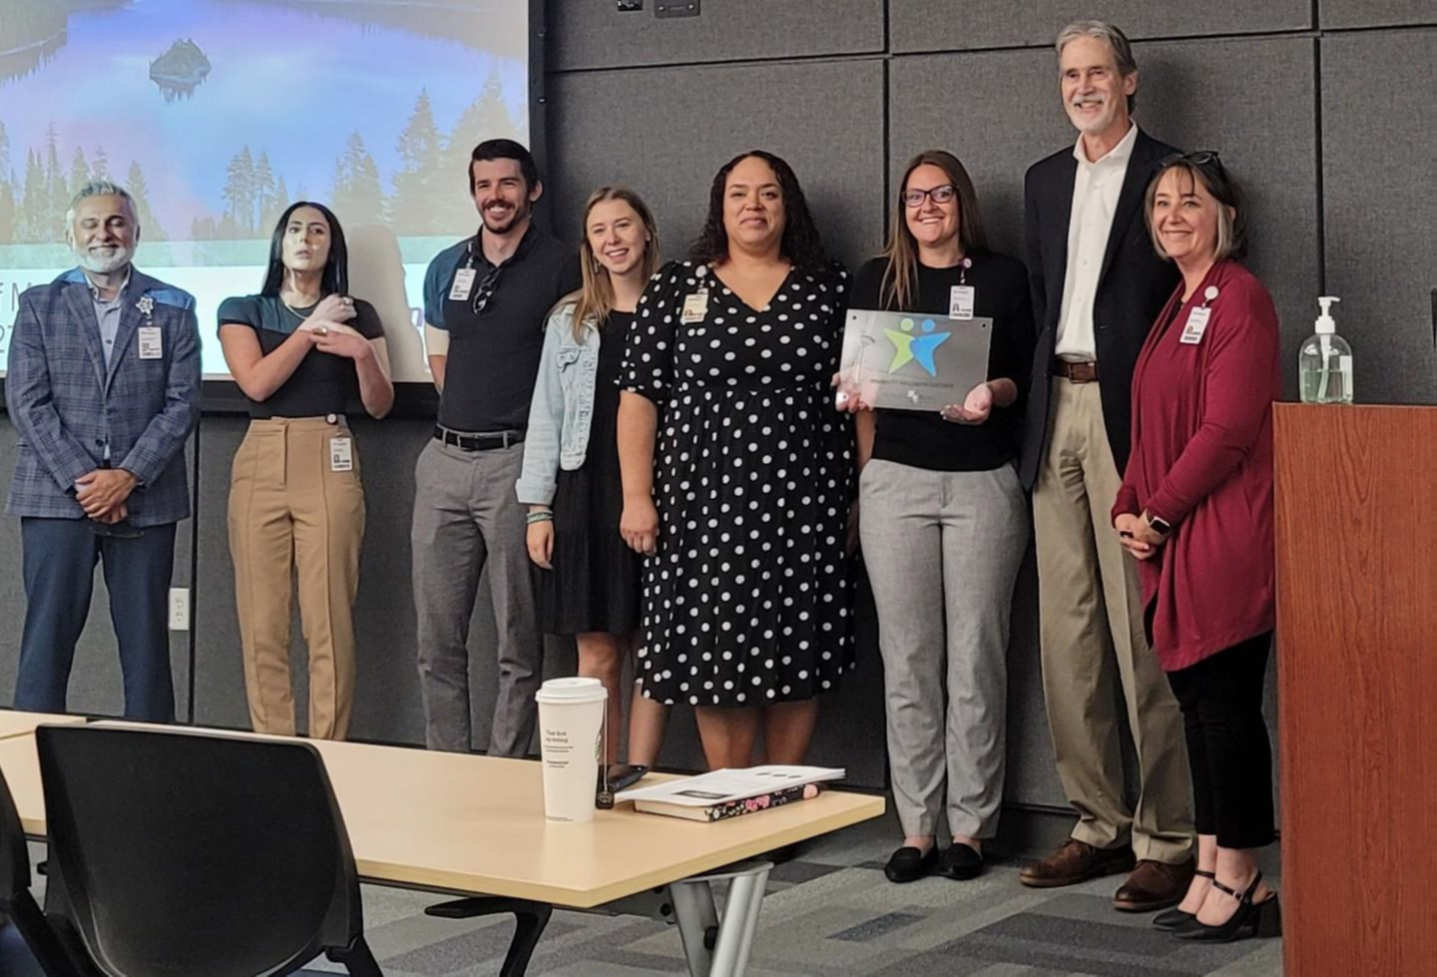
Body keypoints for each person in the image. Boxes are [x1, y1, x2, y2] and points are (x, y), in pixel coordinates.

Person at [1019, 20, 1196, 911]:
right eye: (1069, 73)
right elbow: (1044, 300)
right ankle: (1094, 821)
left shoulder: (1174, 176)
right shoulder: (1044, 180)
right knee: (1068, 630)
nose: (1081, 85)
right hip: (1056, 411)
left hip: (1134, 419)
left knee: (1142, 632)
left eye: (1096, 72)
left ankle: (1166, 834)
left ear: (1129, 83)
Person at [616, 150, 854, 770]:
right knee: (714, 648)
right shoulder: (677, 284)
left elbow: (861, 398)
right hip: (701, 504)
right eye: (739, 194)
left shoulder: (828, 285)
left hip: (807, 500)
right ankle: (732, 791)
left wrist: (864, 492)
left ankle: (777, 798)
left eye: (769, 194)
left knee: (798, 646)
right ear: (719, 208)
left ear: (788, 205)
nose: (754, 206)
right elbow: (639, 396)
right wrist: (636, 496)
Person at [841, 151, 1033, 883]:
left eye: (941, 192)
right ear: (900, 206)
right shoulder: (873, 278)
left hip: (982, 483)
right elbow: (856, 377)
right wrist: (850, 394)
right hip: (896, 479)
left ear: (963, 200)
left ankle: (971, 827)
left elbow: (1020, 373)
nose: (927, 206)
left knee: (977, 655)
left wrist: (993, 391)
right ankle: (916, 824)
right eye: (914, 195)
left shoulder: (1002, 275)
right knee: (909, 659)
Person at [1113, 153, 1281, 943]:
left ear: (1225, 215)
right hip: (1171, 528)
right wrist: (1126, 502)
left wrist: (1160, 513)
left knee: (1224, 705)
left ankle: (1244, 877)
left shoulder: (1240, 298)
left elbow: (1225, 430)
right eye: (1160, 203)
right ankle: (1211, 861)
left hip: (1219, 529)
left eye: (1190, 201)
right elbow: (1152, 423)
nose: (1172, 214)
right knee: (1196, 707)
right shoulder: (1177, 300)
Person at [5, 179, 201, 722]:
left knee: (147, 653)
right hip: (55, 500)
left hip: (146, 501)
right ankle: (26, 772)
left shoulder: (175, 307)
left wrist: (128, 477)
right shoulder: (39, 304)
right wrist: (87, 482)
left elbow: (182, 404)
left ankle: (153, 775)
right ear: (71, 237)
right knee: (45, 645)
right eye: (90, 224)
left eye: (115, 222)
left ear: (136, 232)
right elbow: (27, 401)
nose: (104, 233)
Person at [414, 139, 581, 755]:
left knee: (518, 641)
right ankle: (448, 768)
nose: (495, 196)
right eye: (484, 185)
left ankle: (502, 769)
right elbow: (439, 357)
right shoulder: (446, 265)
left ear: (532, 190)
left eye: (508, 184)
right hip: (443, 461)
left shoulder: (564, 265)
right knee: (437, 642)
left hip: (516, 464)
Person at [218, 201, 394, 740]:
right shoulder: (243, 308)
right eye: (295, 229)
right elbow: (257, 384)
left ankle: (329, 753)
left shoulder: (358, 313)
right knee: (263, 623)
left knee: (329, 621)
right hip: (262, 455)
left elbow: (382, 403)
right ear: (279, 243)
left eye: (318, 230)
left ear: (331, 247)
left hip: (330, 452)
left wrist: (361, 352)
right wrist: (313, 329)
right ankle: (275, 753)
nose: (305, 238)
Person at [516, 186, 671, 767]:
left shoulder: (680, 312)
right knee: (600, 651)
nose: (614, 239)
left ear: (647, 231)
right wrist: (538, 507)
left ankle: (640, 780)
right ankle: (597, 781)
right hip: (585, 491)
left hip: (661, 493)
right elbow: (546, 414)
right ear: (589, 245)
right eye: (601, 230)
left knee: (656, 653)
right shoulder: (571, 320)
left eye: (624, 225)